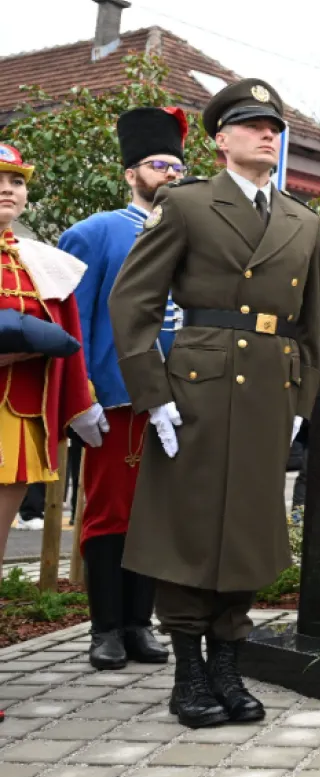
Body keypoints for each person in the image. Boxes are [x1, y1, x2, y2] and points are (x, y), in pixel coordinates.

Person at [109, 78, 320, 729]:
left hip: (268, 388)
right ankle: (189, 672)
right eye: (254, 124)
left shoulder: (302, 219)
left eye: (274, 125)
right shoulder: (187, 204)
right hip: (197, 387)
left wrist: (300, 401)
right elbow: (133, 303)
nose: (269, 133)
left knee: (249, 531)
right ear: (221, 139)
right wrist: (154, 394)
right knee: (190, 526)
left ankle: (228, 664)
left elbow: (311, 323)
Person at [58, 106, 190, 670]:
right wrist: (80, 396)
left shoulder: (195, 233)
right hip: (116, 401)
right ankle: (106, 627)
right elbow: (74, 324)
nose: (172, 175)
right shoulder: (94, 234)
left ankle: (141, 623)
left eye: (179, 166)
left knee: (161, 517)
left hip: (184, 402)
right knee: (111, 515)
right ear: (131, 173)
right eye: (160, 165)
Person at [0, 143, 105, 566]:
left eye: (17, 181)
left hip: (19, 413)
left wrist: (82, 402)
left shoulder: (41, 262)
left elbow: (70, 338)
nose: (9, 189)